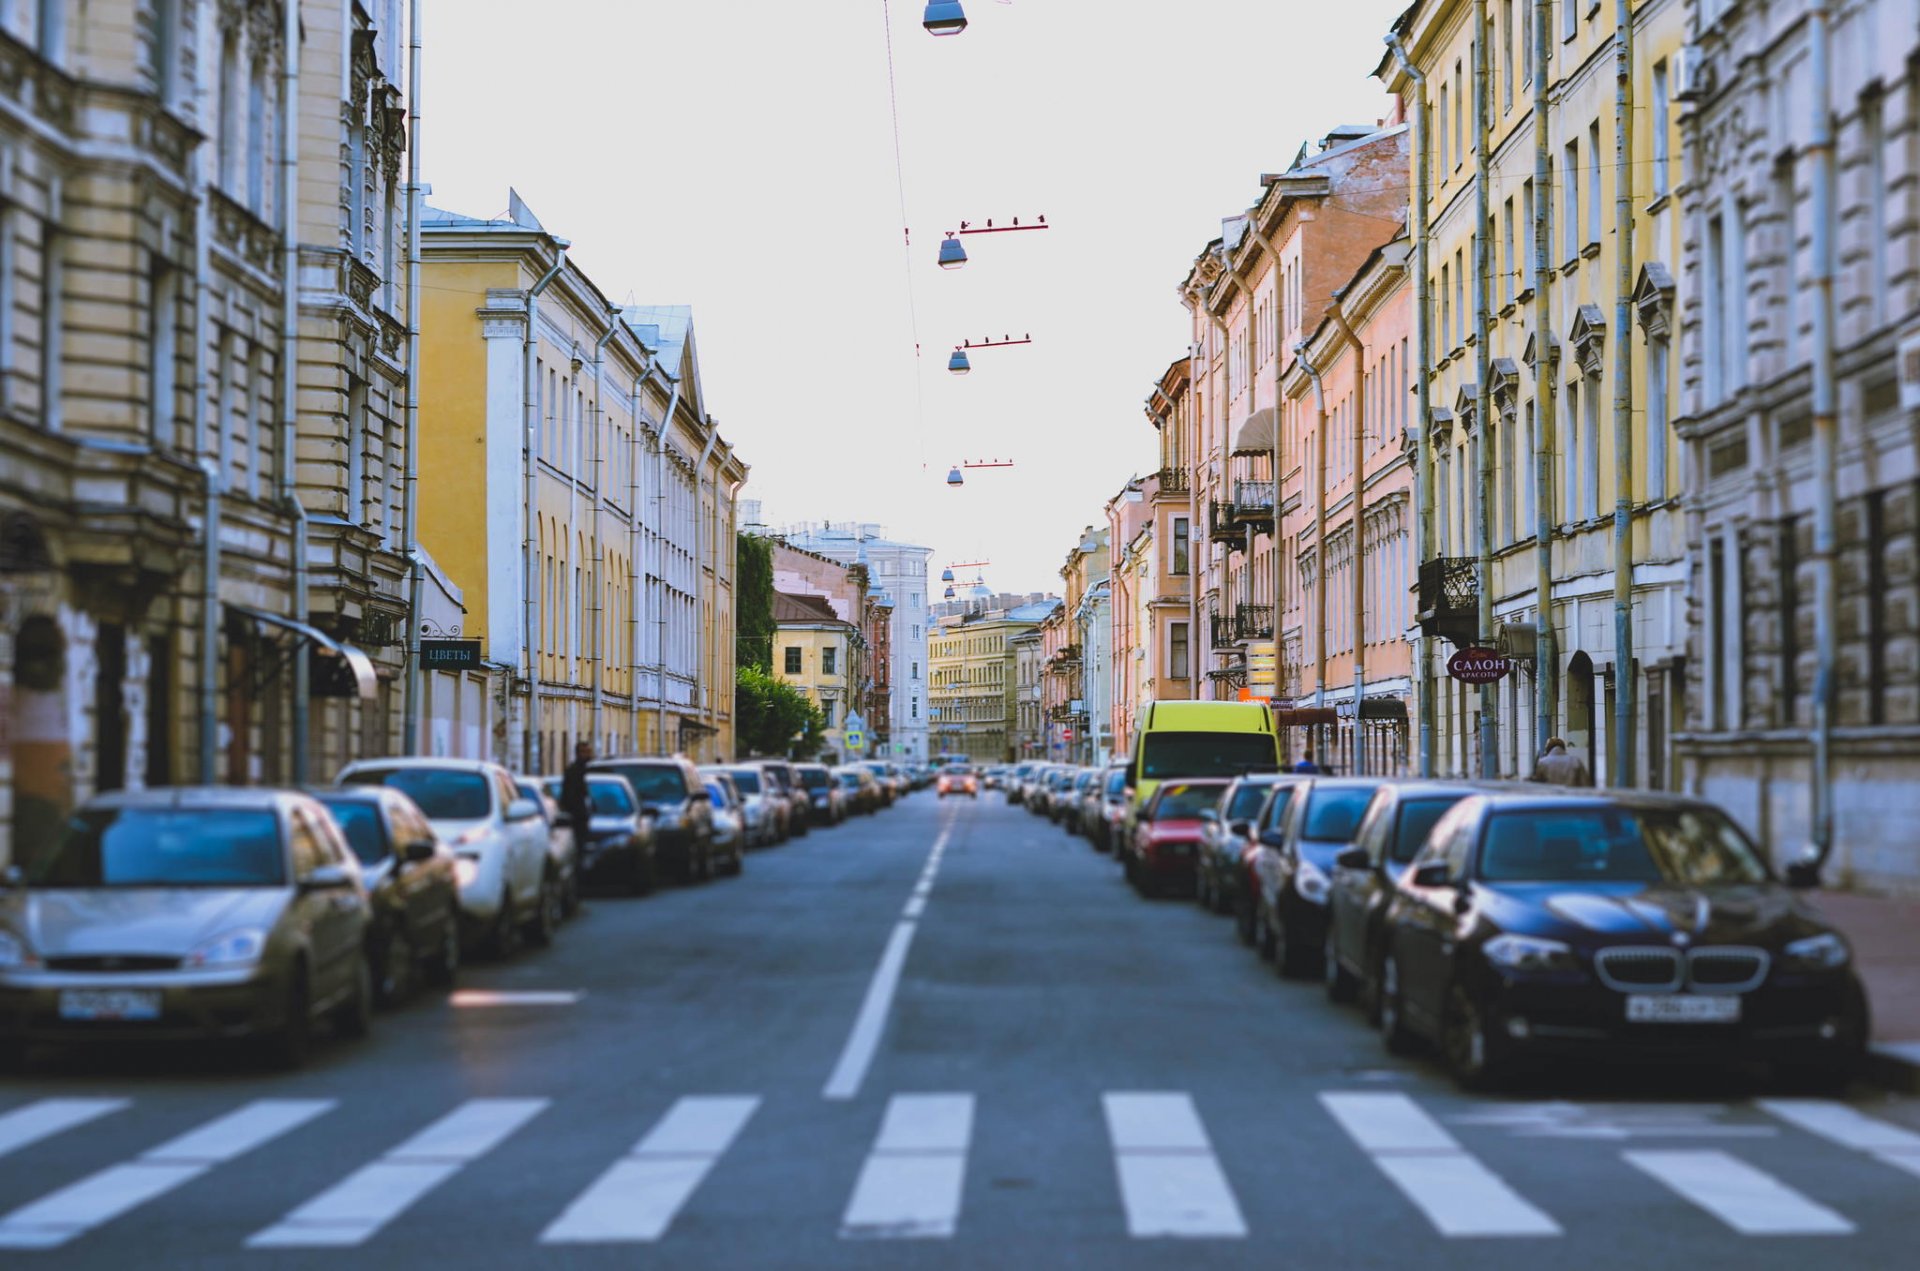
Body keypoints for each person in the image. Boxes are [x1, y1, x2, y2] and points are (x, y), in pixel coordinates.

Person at [559, 740, 595, 827]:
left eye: (589, 752)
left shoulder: (596, 770)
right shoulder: (572, 771)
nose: (587, 755)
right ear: (578, 753)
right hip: (577, 816)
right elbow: (566, 795)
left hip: (592, 814)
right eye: (584, 752)